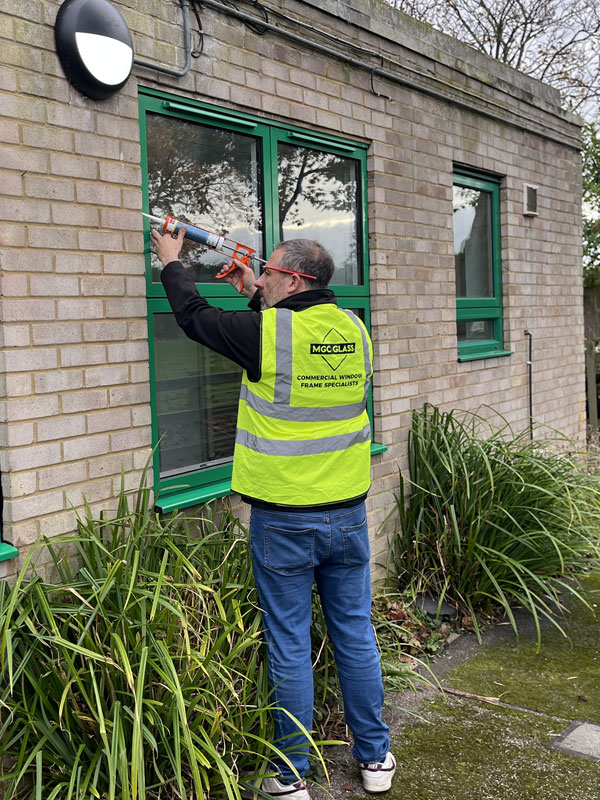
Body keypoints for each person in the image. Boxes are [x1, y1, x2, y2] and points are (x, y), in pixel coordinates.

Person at [152, 225, 396, 798]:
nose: (258, 277)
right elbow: (292, 347)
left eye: (267, 272)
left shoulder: (267, 333)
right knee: (355, 634)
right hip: (346, 514)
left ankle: (290, 776)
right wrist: (253, 295)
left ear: (293, 279)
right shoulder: (354, 329)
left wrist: (171, 262)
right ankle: (375, 758)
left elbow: (195, 318)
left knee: (289, 643)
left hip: (284, 518)